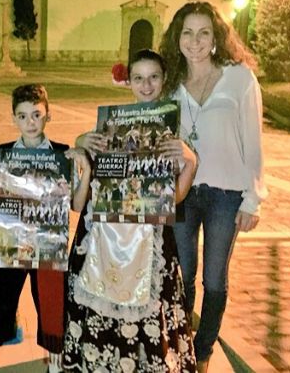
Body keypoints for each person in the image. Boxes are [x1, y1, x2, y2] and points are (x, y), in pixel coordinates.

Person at [63, 49, 198, 372]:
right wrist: (82, 140)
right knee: (99, 294)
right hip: (104, 232)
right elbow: (86, 162)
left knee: (151, 303)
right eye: (139, 78)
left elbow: (175, 198)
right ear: (129, 82)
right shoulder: (111, 126)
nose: (146, 85)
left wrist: (191, 163)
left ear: (164, 80)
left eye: (153, 77)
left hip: (149, 234)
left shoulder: (172, 134)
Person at [159, 1, 267, 372]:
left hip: (226, 194)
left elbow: (254, 141)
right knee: (182, 274)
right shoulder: (170, 83)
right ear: (177, 39)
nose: (195, 41)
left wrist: (253, 199)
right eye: (187, 33)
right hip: (183, 191)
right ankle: (182, 343)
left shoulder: (239, 78)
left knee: (214, 278)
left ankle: (203, 352)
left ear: (216, 37)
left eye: (204, 32)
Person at [0, 84, 90, 373]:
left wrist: (85, 170)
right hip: (11, 244)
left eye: (37, 115)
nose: (30, 122)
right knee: (0, 300)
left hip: (48, 247)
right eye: (23, 116)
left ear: (48, 115)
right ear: (14, 118)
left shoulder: (62, 155)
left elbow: (77, 205)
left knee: (52, 305)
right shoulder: (3, 155)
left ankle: (55, 366)